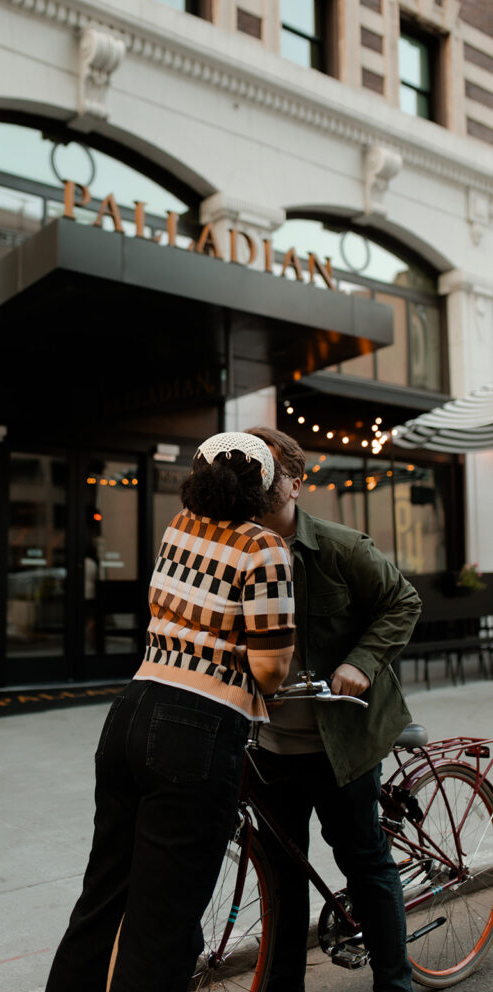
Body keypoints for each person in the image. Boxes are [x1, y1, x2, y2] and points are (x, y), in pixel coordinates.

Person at [45, 432, 296, 992]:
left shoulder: (178, 528)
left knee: (103, 897)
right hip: (198, 729)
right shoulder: (263, 548)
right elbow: (273, 668)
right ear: (260, 489)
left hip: (131, 711)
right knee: (161, 924)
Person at [245, 425, 422, 992]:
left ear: (296, 482)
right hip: (269, 747)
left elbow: (403, 601)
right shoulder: (236, 553)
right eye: (249, 471)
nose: (260, 482)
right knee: (281, 877)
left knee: (364, 862)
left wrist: (362, 662)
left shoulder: (342, 547)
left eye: (270, 472)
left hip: (342, 743)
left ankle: (395, 984)